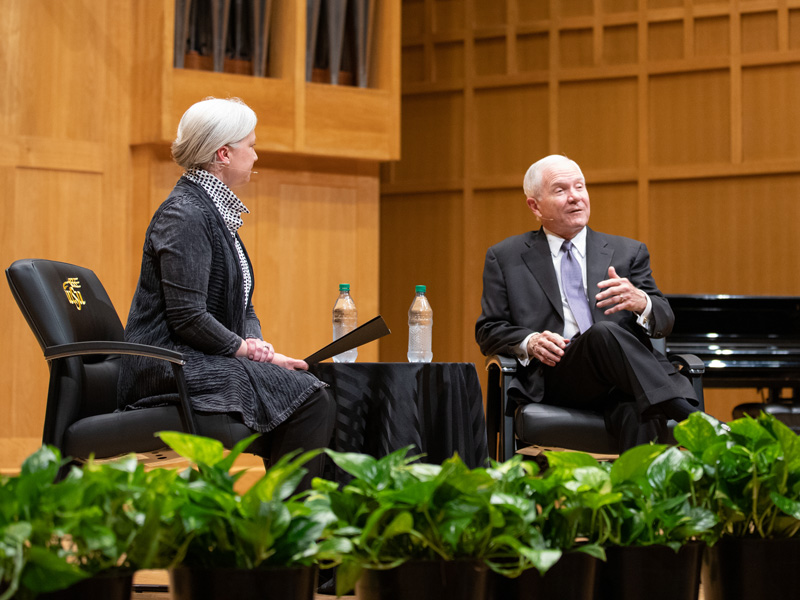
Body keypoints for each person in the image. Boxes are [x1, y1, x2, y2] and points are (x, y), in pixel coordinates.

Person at [117, 97, 336, 487]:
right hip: (167, 366)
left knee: (309, 389)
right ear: (223, 153)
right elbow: (187, 317)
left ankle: (288, 525)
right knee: (310, 400)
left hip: (195, 359)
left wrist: (258, 345)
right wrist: (247, 351)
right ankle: (288, 532)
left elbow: (242, 302)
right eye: (249, 146)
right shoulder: (185, 213)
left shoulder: (213, 211)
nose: (255, 155)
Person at [475, 154, 699, 451]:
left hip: (624, 382)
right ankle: (691, 418)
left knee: (640, 412)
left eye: (580, 187)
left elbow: (665, 320)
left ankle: (634, 498)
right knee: (603, 332)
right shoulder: (506, 257)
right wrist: (530, 342)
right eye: (560, 190)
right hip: (558, 375)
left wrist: (641, 301)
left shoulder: (628, 252)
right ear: (535, 205)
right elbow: (489, 329)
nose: (575, 198)